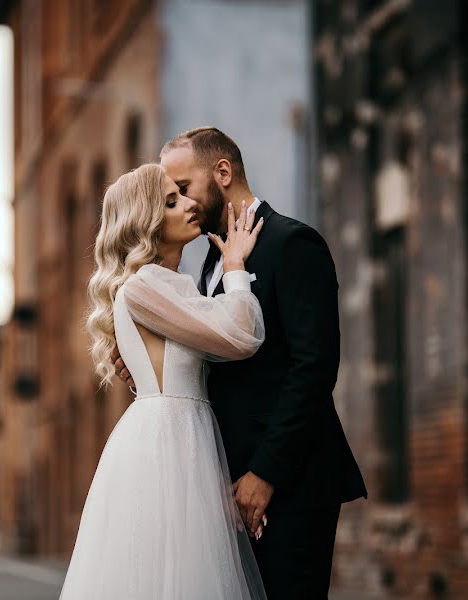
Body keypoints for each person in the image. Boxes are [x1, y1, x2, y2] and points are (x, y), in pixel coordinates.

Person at [114, 127, 368, 599]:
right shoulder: (207, 264)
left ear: (223, 173)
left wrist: (265, 474)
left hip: (290, 484)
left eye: (183, 188)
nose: (182, 203)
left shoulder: (293, 243)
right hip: (222, 488)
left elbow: (313, 368)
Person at [59, 163, 268, 599]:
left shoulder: (171, 286)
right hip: (169, 442)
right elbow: (241, 336)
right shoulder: (144, 287)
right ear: (146, 222)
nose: (191, 205)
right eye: (172, 201)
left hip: (184, 434)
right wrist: (234, 267)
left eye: (183, 195)